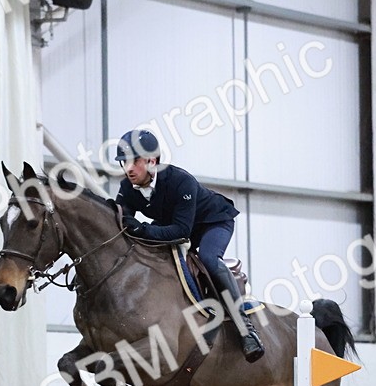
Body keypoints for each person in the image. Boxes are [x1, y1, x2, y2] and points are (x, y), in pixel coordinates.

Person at [113, 129, 264, 363]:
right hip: (174, 223)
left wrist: (142, 229)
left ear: (151, 161)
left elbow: (181, 231)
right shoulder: (127, 188)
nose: (128, 169)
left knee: (209, 258)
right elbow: (121, 220)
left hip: (212, 222)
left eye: (134, 161)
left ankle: (246, 330)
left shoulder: (181, 181)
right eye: (124, 163)